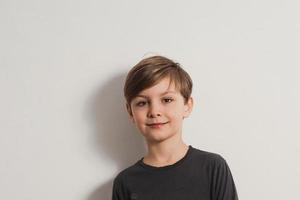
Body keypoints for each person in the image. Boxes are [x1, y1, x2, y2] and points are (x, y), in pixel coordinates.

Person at [112, 55, 239, 200]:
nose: (154, 112)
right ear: (130, 112)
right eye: (142, 103)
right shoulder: (125, 183)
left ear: (187, 106)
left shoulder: (213, 168)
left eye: (167, 100)